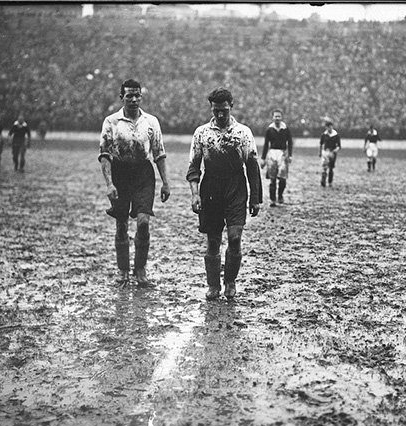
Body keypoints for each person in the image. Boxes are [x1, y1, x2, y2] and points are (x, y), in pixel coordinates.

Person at [187, 87, 262, 301]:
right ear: (211, 108)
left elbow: (252, 165)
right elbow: (194, 166)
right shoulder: (202, 133)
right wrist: (195, 194)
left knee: (235, 238)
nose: (220, 115)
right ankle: (213, 285)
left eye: (224, 110)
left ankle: (230, 281)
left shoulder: (243, 133)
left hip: (236, 187)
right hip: (211, 188)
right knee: (213, 240)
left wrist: (255, 198)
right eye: (216, 110)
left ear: (231, 107)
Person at [98, 79, 170, 286]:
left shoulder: (151, 122)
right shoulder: (111, 121)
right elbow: (104, 154)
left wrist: (166, 182)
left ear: (141, 97)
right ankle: (122, 271)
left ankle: (140, 270)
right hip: (120, 173)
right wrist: (109, 184)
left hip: (143, 174)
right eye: (129, 95)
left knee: (144, 222)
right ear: (122, 97)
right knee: (121, 225)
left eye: (137, 95)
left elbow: (159, 153)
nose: (134, 99)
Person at [260, 109, 293, 206]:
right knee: (272, 178)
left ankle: (280, 195)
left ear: (281, 117)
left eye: (279, 116)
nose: (277, 118)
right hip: (272, 153)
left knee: (282, 178)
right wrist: (263, 158)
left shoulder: (286, 129)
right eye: (275, 116)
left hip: (282, 153)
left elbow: (290, 142)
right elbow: (266, 144)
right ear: (273, 118)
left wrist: (290, 155)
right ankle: (272, 199)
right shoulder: (269, 129)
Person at [319, 121, 341, 187]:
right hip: (325, 152)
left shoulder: (336, 135)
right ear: (326, 127)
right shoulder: (324, 135)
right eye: (328, 127)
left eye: (330, 127)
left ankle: (330, 181)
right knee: (324, 166)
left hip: (332, 152)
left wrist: (334, 151)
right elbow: (321, 144)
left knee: (331, 168)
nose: (329, 128)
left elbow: (339, 146)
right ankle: (323, 180)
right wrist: (320, 152)